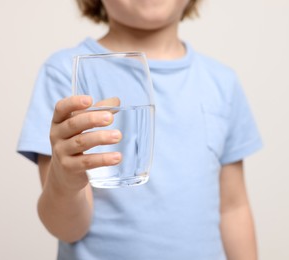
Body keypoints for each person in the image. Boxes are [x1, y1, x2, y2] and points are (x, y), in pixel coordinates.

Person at [17, 0, 263, 259]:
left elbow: (234, 209)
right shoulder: (67, 72)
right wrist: (64, 184)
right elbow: (68, 229)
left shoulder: (222, 82)